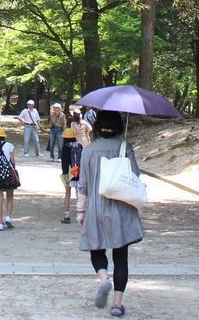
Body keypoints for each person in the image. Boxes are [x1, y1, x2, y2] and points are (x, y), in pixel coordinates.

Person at [77, 110, 143, 317]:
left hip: (96, 207)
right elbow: (135, 174)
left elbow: (83, 185)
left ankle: (104, 280)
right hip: (121, 207)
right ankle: (117, 304)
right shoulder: (125, 147)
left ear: (97, 126)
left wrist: (80, 211)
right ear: (118, 126)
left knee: (96, 248)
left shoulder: (88, 150)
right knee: (121, 255)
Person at [59, 126, 82, 223]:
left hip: (69, 172)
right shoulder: (80, 146)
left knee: (67, 194)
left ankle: (67, 216)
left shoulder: (65, 147)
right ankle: (81, 215)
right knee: (79, 195)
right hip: (79, 171)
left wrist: (65, 175)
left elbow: (64, 163)